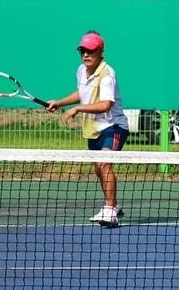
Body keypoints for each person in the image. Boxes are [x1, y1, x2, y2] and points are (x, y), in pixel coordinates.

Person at [46, 31, 129, 228]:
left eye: (90, 51)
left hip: (114, 126)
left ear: (100, 52)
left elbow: (106, 104)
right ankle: (113, 206)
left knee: (104, 164)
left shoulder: (107, 74)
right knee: (98, 169)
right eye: (82, 51)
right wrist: (60, 103)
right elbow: (82, 93)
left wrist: (77, 109)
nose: (85, 55)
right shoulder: (81, 70)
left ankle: (109, 210)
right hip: (93, 128)